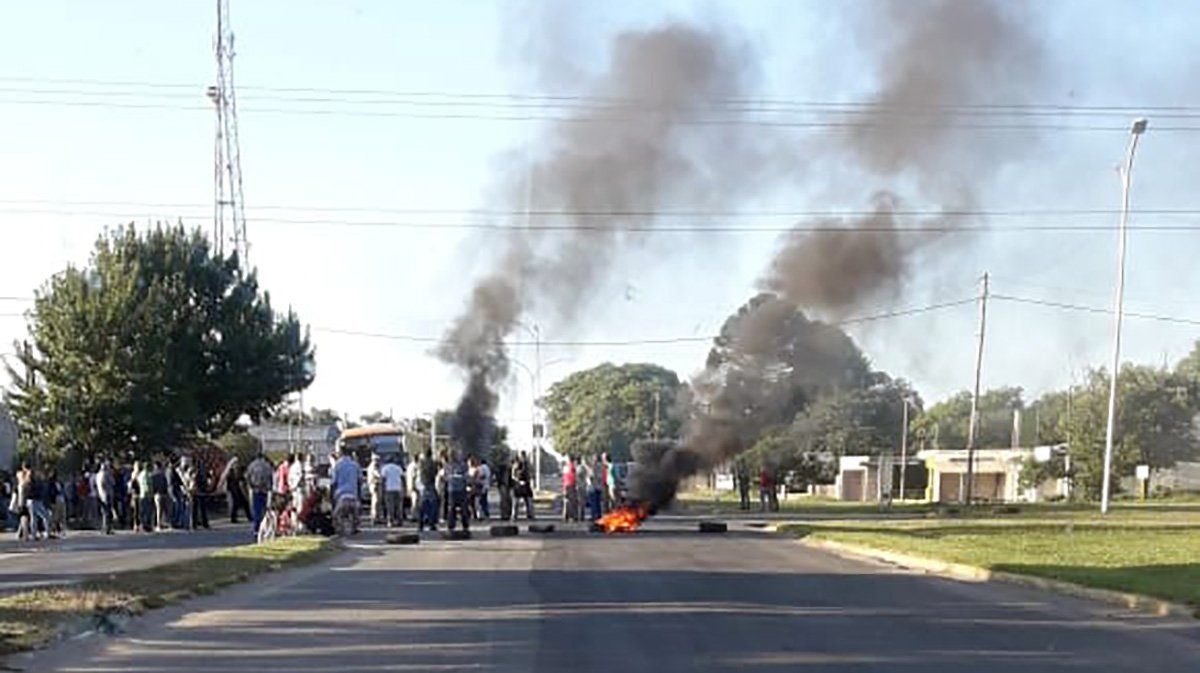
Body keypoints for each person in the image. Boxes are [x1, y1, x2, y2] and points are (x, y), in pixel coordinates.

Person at [330, 451, 361, 535]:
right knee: (355, 514)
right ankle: (354, 527)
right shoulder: (355, 465)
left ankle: (339, 529)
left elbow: (333, 482)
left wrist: (332, 496)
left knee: (336, 515)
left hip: (341, 495)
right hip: (353, 494)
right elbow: (359, 480)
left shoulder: (337, 465)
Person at [245, 452, 274, 536]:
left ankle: (256, 528)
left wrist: (250, 486)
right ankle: (264, 527)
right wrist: (270, 487)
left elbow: (247, 477)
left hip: (255, 489)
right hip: (265, 490)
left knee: (256, 510)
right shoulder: (267, 466)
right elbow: (271, 478)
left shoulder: (252, 465)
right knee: (264, 510)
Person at [219, 456, 252, 524]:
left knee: (244, 502)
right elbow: (224, 478)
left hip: (237, 488)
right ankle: (234, 518)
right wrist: (220, 486)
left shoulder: (238, 471)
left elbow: (242, 479)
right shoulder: (230, 472)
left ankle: (248, 516)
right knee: (236, 503)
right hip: (232, 489)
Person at [445, 451, 470, 532]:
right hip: (453, 489)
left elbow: (466, 477)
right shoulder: (448, 466)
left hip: (459, 489)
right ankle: (452, 525)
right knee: (453, 508)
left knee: (462, 508)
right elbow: (446, 477)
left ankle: (464, 524)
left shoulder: (462, 465)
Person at [417, 449, 439, 532]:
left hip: (423, 485)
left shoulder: (421, 463)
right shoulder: (433, 463)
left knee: (422, 505)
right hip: (431, 484)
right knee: (432, 505)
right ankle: (431, 524)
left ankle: (420, 524)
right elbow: (435, 472)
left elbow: (420, 473)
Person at [380, 457, 405, 528]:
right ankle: (400, 520)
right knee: (399, 506)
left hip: (389, 488)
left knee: (390, 506)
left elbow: (383, 480)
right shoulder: (398, 468)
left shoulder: (385, 468)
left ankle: (390, 521)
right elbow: (402, 478)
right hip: (398, 488)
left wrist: (382, 489)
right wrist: (404, 488)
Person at [94, 461, 115, 535]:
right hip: (106, 495)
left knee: (103, 512)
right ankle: (107, 528)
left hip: (100, 495)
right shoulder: (106, 474)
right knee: (107, 513)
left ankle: (104, 528)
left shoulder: (97, 475)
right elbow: (113, 482)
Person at [512, 452, 534, 520]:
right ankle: (515, 515)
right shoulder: (518, 464)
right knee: (517, 501)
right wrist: (519, 481)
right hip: (520, 484)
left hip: (524, 484)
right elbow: (513, 475)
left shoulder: (526, 464)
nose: (523, 458)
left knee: (527, 500)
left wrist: (528, 480)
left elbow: (530, 474)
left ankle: (529, 515)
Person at [151, 461, 170, 532]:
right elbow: (166, 484)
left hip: (156, 494)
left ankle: (157, 524)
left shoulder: (153, 475)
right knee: (162, 510)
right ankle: (162, 523)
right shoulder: (163, 475)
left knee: (157, 510)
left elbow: (153, 485)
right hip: (163, 493)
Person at [494, 454, 513, 522]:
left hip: (505, 485)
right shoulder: (503, 468)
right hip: (504, 485)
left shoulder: (503, 468)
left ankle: (506, 514)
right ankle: (505, 514)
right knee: (505, 500)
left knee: (506, 500)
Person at [367, 454, 384, 525]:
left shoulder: (376, 466)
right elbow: (378, 475)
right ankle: (374, 517)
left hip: (377, 484)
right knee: (375, 502)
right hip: (375, 485)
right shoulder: (373, 466)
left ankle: (378, 517)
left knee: (378, 502)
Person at [588, 456, 605, 522]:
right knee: (598, 503)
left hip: (593, 487)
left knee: (593, 503)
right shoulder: (602, 467)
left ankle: (594, 516)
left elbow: (591, 477)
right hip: (599, 487)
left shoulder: (594, 467)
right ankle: (599, 515)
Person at [562, 456, 578, 522]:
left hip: (566, 485)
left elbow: (564, 477)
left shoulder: (565, 467)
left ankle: (565, 516)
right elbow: (573, 477)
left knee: (566, 501)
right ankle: (573, 516)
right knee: (572, 502)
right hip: (571, 485)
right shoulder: (572, 467)